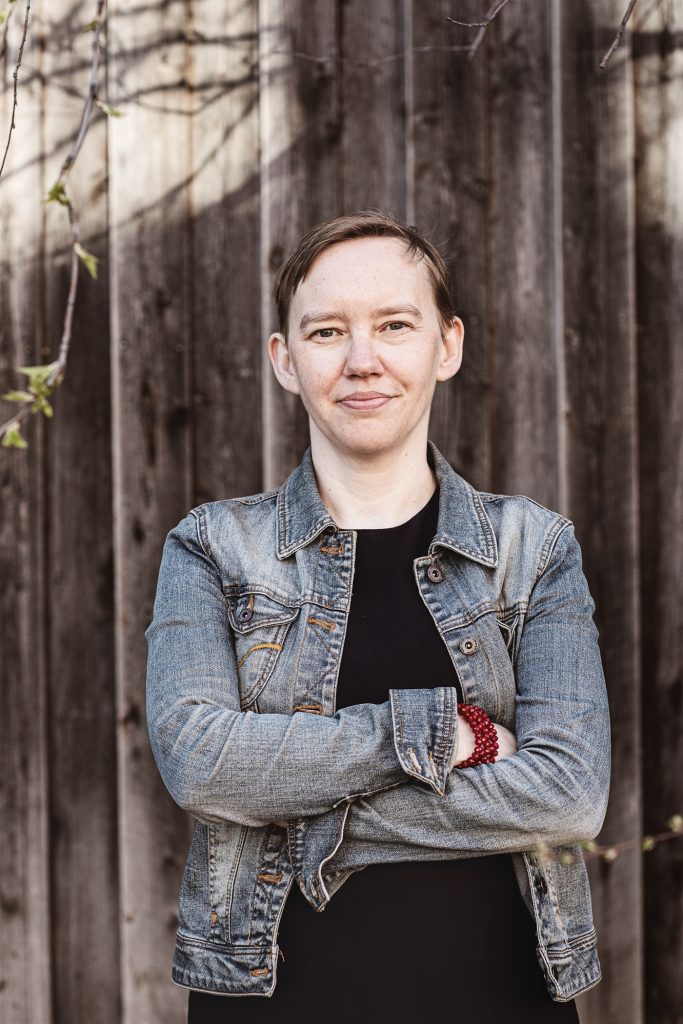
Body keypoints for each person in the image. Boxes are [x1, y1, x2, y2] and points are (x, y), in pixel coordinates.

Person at [145, 210, 611, 1022]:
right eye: (327, 332)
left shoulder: (532, 551)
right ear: (285, 360)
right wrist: (434, 735)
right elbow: (200, 762)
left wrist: (306, 822)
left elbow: (567, 795)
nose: (362, 359)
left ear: (446, 345)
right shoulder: (212, 548)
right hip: (274, 1004)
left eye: (394, 324)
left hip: (498, 1002)